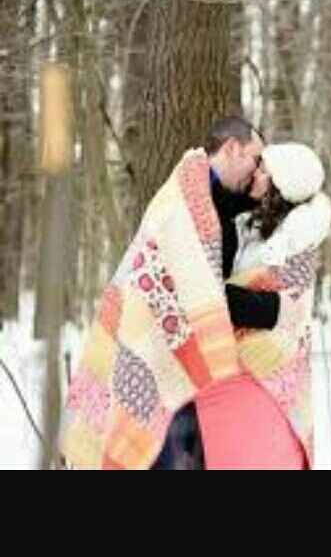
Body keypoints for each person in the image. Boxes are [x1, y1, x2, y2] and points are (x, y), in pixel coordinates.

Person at [60, 117, 282, 471]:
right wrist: (270, 309)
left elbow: (221, 228)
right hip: (160, 358)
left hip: (177, 362)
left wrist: (258, 196)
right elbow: (197, 291)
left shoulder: (206, 198)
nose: (257, 172)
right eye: (255, 160)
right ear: (232, 148)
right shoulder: (184, 205)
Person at [195, 142, 331, 471]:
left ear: (279, 186)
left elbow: (288, 307)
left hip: (262, 379)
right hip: (226, 374)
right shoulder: (249, 222)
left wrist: (261, 307)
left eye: (263, 171)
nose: (253, 173)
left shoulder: (294, 240)